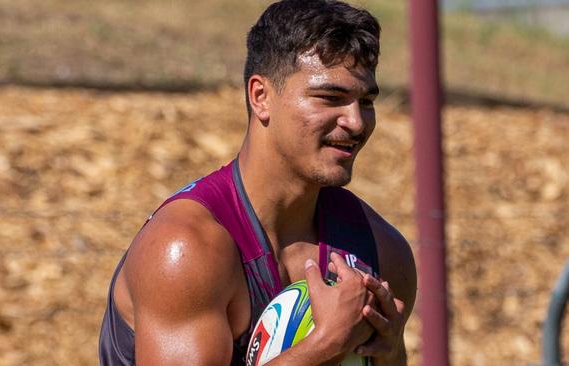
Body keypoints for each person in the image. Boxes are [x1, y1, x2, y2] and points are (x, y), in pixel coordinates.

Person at [99, 0, 417, 365]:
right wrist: (326, 344)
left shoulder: (380, 250)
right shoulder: (185, 250)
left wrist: (389, 354)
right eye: (331, 98)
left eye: (366, 102)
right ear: (261, 97)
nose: (357, 122)